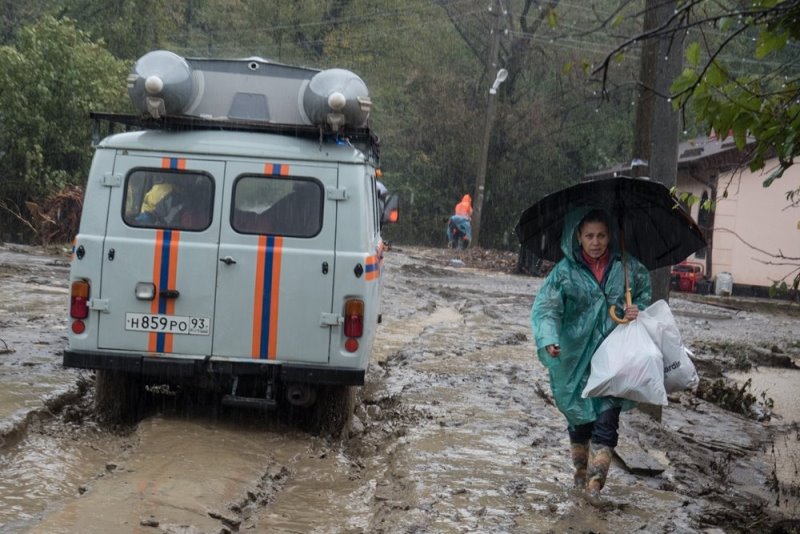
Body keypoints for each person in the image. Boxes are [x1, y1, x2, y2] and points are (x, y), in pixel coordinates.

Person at [530, 208, 651, 499]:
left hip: (612, 355)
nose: (595, 242)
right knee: (580, 419)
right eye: (589, 236)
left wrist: (638, 310)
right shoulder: (564, 272)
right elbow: (547, 309)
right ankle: (580, 474)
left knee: (607, 418)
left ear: (610, 236)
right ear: (579, 238)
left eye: (601, 235)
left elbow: (646, 296)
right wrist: (549, 338)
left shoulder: (628, 268)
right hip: (574, 357)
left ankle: (595, 487)